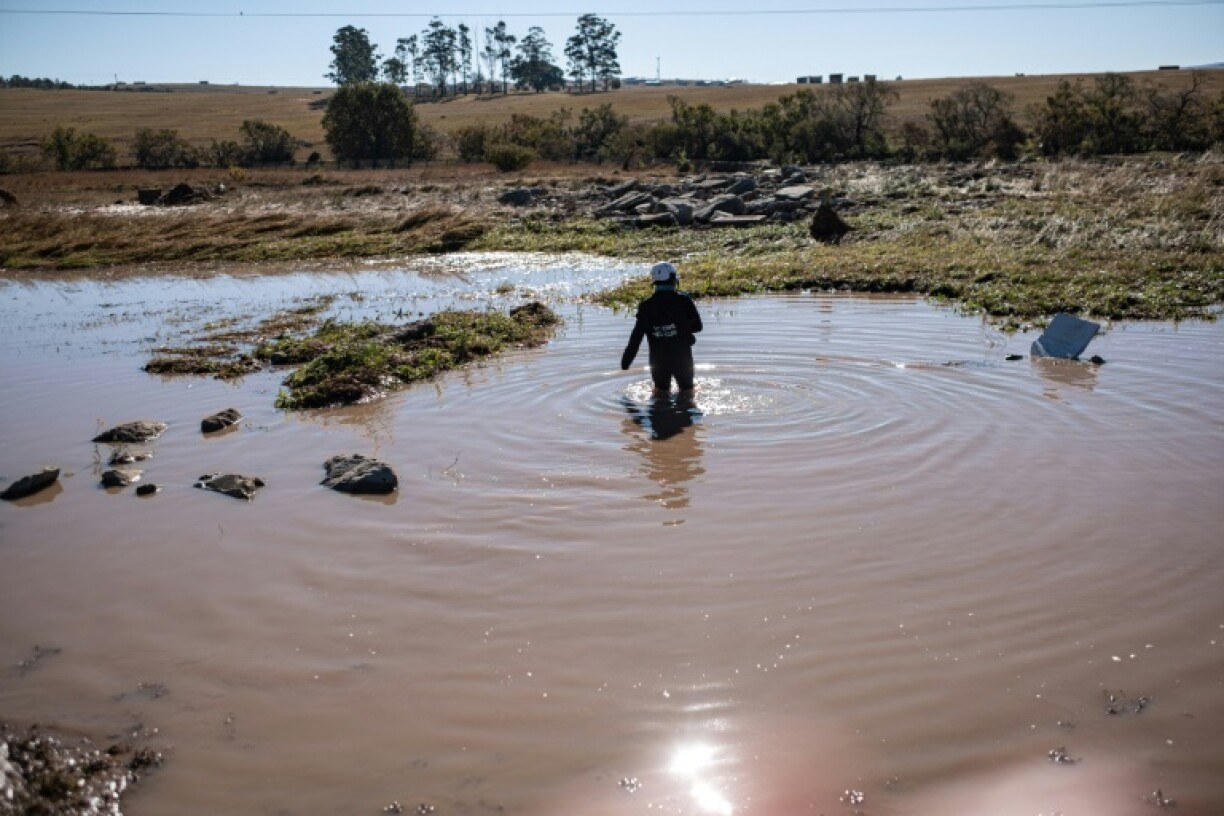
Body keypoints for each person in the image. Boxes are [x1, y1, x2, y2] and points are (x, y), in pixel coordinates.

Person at [620, 261, 703, 396]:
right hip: (682, 358)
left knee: (660, 395)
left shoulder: (646, 306)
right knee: (687, 393)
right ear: (673, 280)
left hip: (658, 360)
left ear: (655, 283)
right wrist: (679, 329)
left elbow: (636, 337)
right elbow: (698, 327)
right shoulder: (684, 301)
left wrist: (626, 361)